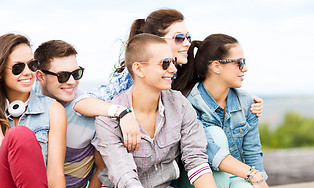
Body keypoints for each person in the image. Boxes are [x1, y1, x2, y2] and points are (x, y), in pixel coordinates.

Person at [0, 33, 142, 188]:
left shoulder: (52, 109)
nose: (27, 72)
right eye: (18, 68)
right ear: (0, 71)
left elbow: (56, 171)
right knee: (20, 135)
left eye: (31, 65)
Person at [73, 8, 263, 151]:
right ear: (156, 41)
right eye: (179, 38)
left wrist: (246, 102)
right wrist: (122, 113)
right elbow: (81, 102)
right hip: (134, 152)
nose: (187, 43)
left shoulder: (184, 68)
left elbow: (216, 85)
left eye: (188, 37)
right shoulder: (133, 76)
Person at [93, 33, 229, 188]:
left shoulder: (179, 104)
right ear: (139, 68)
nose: (173, 69)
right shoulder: (108, 119)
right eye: (165, 63)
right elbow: (125, 178)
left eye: (173, 62)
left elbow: (196, 161)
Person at [172, 34, 271, 188]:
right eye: (239, 63)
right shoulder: (188, 104)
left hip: (235, 178)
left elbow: (252, 154)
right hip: (197, 185)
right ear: (216, 66)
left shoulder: (247, 102)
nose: (245, 68)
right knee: (216, 136)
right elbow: (211, 152)